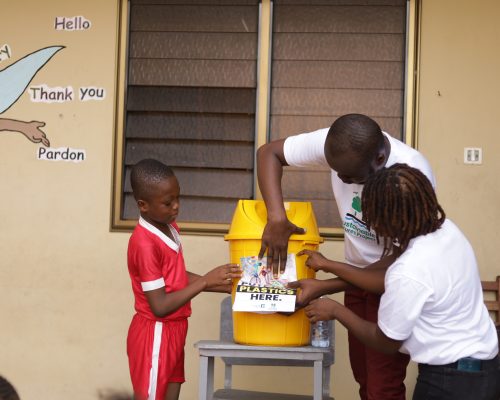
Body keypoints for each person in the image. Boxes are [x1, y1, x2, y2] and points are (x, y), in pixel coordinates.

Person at [257, 114, 435, 399]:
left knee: (382, 386)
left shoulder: (411, 175)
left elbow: (398, 264)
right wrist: (276, 217)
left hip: (390, 285)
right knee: (364, 379)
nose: (342, 180)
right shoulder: (337, 142)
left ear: (379, 159)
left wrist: (327, 284)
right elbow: (269, 153)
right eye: (336, 171)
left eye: (352, 177)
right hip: (357, 279)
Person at [304, 164, 500, 400]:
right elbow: (392, 261)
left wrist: (335, 310)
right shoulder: (447, 231)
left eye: (371, 215)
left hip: (449, 382)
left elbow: (385, 341)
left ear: (387, 219)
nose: (369, 222)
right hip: (487, 368)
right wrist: (329, 269)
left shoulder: (409, 271)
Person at [126, 159, 241, 400]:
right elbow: (159, 306)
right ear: (143, 205)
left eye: (178, 198)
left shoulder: (168, 226)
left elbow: (174, 276)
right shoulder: (144, 243)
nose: (176, 207)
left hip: (176, 329)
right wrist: (205, 282)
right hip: (155, 333)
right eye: (168, 203)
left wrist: (223, 286)